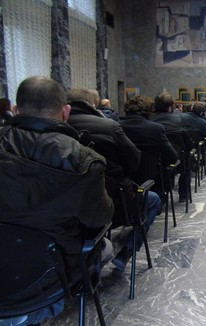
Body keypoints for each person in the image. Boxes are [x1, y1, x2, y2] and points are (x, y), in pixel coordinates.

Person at [0, 76, 114, 325]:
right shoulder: (85, 160)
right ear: (65, 112)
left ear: (16, 110)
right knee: (107, 247)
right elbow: (100, 219)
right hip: (53, 274)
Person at [66, 88, 161, 272]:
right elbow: (134, 161)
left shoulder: (58, 129)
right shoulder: (110, 127)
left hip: (67, 213)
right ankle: (127, 250)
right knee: (154, 200)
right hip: (114, 205)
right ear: (94, 104)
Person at [151, 91, 193, 203]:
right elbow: (188, 141)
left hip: (154, 159)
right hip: (178, 160)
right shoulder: (180, 119)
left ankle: (160, 194)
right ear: (171, 107)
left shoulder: (149, 119)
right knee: (187, 163)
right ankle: (184, 194)